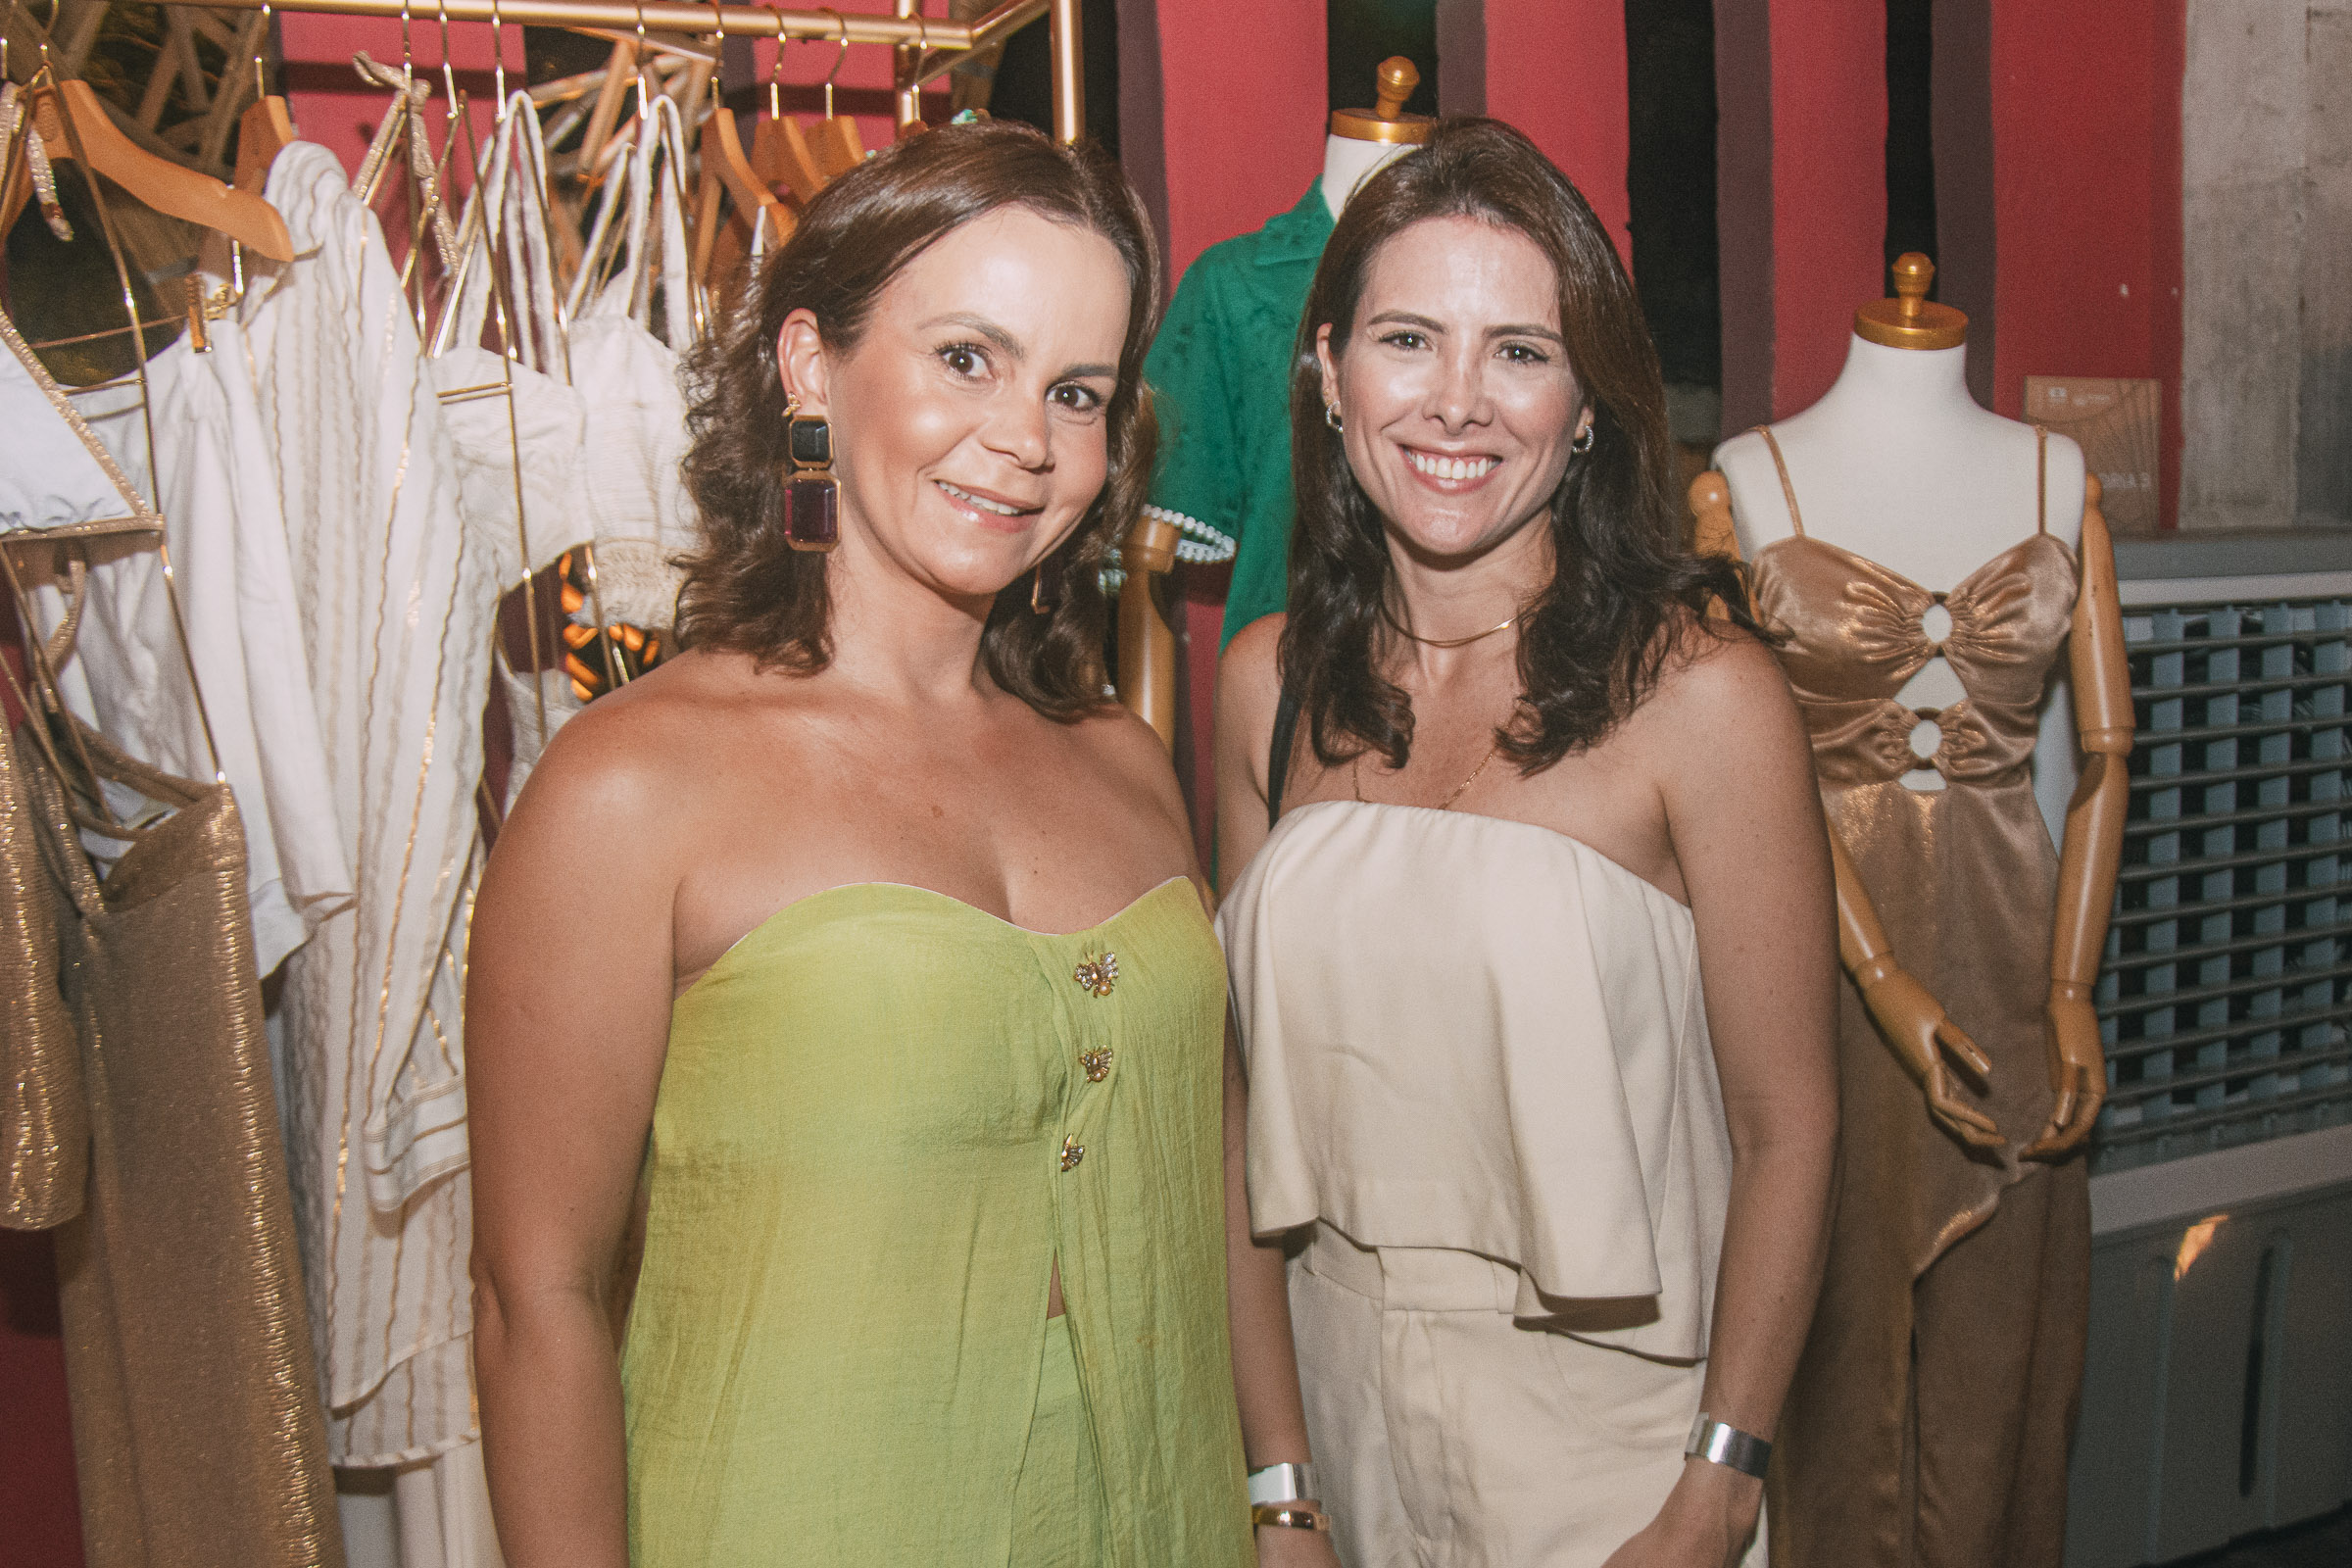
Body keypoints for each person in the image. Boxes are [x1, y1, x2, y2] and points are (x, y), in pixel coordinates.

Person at [466, 121, 1313, 1568]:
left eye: (1077, 392)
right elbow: (532, 1303)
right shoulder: (629, 786)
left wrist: (1281, 1496)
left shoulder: (1122, 763)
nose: (1027, 441)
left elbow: (1216, 1167)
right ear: (811, 363)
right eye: (967, 359)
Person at [1213, 118, 1839, 1568]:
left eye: (1519, 351)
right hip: (1341, 1435)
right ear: (1329, 374)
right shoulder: (1268, 685)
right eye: (1408, 340)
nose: (1457, 402)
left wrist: (1718, 1493)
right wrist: (1281, 1487)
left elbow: (1791, 1127)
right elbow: (1235, 1125)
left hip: (1614, 1462)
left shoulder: (1701, 697)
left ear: (1588, 405)